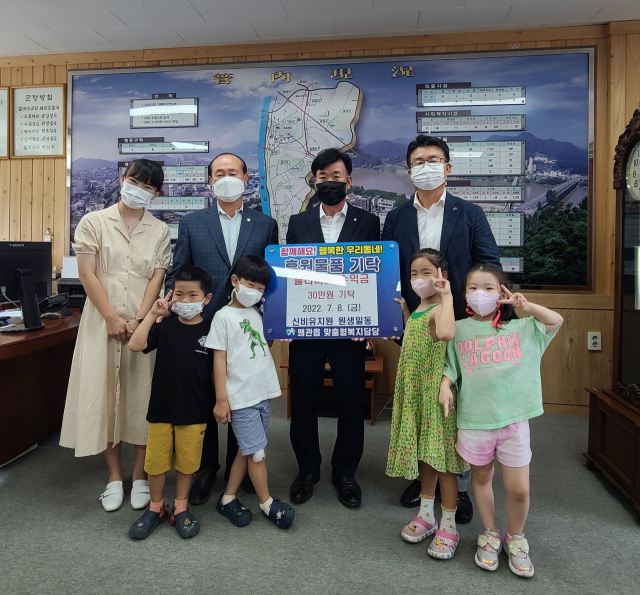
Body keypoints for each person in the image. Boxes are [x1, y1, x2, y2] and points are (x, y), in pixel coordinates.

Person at [382, 135, 501, 519]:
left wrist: (482, 310)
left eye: (433, 160)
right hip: (416, 325)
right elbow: (386, 271)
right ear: (409, 171)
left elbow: (489, 264)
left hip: (460, 324)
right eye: (418, 161)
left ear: (447, 167)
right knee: (423, 403)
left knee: (456, 407)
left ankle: (460, 487)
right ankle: (425, 480)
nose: (426, 166)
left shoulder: (470, 214)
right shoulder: (396, 218)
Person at [167, 153, 279, 506]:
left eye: (233, 172)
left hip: (247, 326)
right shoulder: (192, 223)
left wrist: (273, 317)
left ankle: (238, 466)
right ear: (209, 180)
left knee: (244, 398)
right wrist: (174, 308)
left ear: (246, 178)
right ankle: (205, 469)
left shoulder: (266, 224)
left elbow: (272, 277)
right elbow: (180, 272)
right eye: (219, 173)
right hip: (202, 325)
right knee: (206, 399)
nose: (226, 177)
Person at [60, 159, 172, 512]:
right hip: (100, 322)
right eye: (134, 181)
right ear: (122, 179)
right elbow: (87, 274)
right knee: (104, 394)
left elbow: (157, 278)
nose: (139, 189)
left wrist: (140, 319)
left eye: (148, 187)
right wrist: (111, 317)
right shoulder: (94, 221)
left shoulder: (160, 230)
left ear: (156, 194)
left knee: (142, 396)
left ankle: (140, 475)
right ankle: (113, 475)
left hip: (143, 324)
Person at [439, 263, 563, 577]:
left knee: (519, 489)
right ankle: (490, 533)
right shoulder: (459, 329)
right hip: (474, 421)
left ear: (502, 293)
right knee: (481, 478)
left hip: (513, 422)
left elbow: (556, 321)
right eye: (473, 288)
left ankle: (516, 537)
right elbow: (451, 366)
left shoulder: (523, 328)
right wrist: (445, 385)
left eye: (488, 287)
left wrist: (526, 307)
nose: (480, 293)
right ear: (464, 294)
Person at [286, 148, 380, 509]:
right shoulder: (298, 223)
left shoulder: (367, 222)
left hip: (350, 330)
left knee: (352, 402)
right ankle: (307, 470)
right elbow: (290, 274)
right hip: (307, 328)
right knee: (303, 400)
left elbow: (374, 273)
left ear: (349, 181)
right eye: (322, 177)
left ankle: (345, 473)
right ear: (314, 181)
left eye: (336, 176)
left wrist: (368, 320)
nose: (329, 182)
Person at [386, 249, 467, 560]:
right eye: (414, 274)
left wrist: (447, 297)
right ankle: (426, 513)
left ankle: (449, 525)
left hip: (435, 395)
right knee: (426, 457)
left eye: (426, 273)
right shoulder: (421, 308)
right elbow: (415, 335)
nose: (419, 279)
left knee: (442, 461)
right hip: (415, 392)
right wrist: (406, 311)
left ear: (441, 276)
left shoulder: (440, 308)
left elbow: (445, 333)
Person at [206, 256, 295, 529]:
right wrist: (221, 400)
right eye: (250, 285)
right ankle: (266, 503)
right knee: (257, 453)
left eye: (260, 288)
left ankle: (228, 497)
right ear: (236, 281)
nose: (255, 291)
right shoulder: (222, 317)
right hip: (241, 398)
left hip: (262, 394)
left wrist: (274, 322)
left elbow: (266, 343)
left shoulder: (257, 312)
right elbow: (218, 360)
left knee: (247, 450)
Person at [127, 266, 214, 539]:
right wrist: (153, 315)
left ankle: (180, 506)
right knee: (155, 463)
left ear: (206, 299)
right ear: (170, 296)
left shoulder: (212, 330)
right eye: (179, 294)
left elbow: (218, 370)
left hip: (195, 410)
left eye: (193, 295)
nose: (185, 301)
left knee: (188, 463)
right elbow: (135, 344)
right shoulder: (164, 326)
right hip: (161, 409)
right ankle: (156, 508)